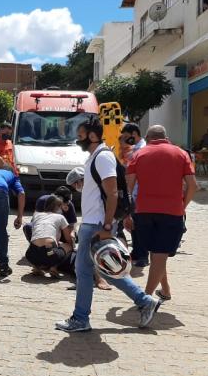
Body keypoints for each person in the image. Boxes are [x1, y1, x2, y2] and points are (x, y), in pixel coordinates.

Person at [55, 116, 162, 332]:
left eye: (81, 135)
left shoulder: (103, 157)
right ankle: (143, 300)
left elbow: (112, 193)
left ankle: (80, 318)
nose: (78, 139)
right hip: (95, 223)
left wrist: (106, 226)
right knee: (104, 270)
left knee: (84, 271)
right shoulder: (96, 156)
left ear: (92, 136)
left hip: (96, 226)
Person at [126, 125, 198, 302]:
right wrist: (183, 205)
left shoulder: (138, 154)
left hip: (143, 211)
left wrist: (127, 213)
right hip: (172, 211)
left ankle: (162, 291)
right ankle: (147, 299)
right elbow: (193, 185)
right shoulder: (181, 154)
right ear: (166, 137)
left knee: (157, 252)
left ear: (148, 138)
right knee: (160, 254)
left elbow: (128, 189)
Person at [66, 167, 111, 291]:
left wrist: (106, 224)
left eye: (75, 184)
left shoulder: (95, 189)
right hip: (91, 224)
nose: (76, 187)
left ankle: (100, 279)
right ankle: (85, 281)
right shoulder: (89, 190)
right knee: (85, 255)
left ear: (80, 181)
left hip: (97, 224)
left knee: (95, 252)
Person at [119, 122, 149, 267]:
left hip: (140, 192)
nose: (125, 139)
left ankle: (143, 255)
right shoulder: (134, 148)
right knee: (134, 225)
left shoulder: (141, 149)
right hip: (133, 191)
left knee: (140, 226)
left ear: (134, 134)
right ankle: (137, 251)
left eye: (126, 137)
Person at [26, 195, 75, 278]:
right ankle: (54, 267)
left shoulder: (36, 215)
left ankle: (36, 267)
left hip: (31, 254)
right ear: (58, 207)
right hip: (50, 254)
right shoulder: (60, 217)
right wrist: (72, 246)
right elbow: (68, 238)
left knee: (41, 246)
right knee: (67, 246)